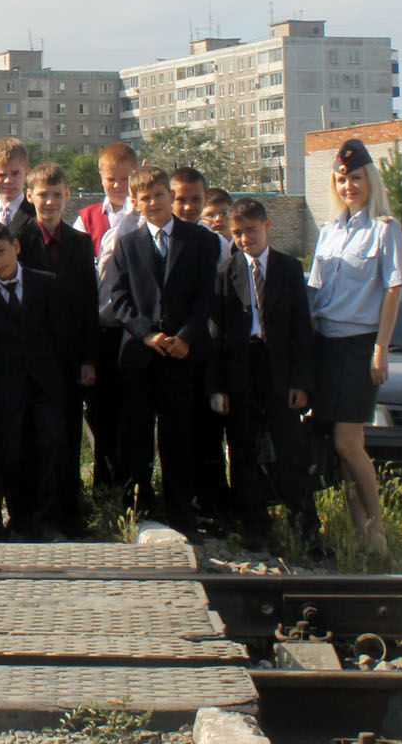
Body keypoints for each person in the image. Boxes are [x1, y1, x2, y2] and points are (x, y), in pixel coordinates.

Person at [101, 164, 220, 533]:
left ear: (171, 196)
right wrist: (146, 334)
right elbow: (118, 299)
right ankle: (140, 502)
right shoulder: (128, 243)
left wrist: (186, 336)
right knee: (137, 434)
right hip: (141, 355)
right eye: (145, 198)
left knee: (178, 434)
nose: (153, 202)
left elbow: (207, 297)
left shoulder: (200, 240)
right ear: (134, 203)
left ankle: (180, 509)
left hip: (183, 355)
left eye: (159, 195)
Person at [308, 138, 402, 555]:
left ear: (371, 180)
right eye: (342, 179)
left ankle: (379, 528)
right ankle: (361, 531)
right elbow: (314, 292)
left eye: (357, 178)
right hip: (325, 345)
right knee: (341, 446)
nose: (349, 185)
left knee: (349, 441)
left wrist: (381, 348)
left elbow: (393, 289)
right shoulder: (328, 232)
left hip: (359, 344)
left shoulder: (385, 228)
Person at [209, 197, 318, 553]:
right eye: (237, 233)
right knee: (243, 451)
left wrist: (301, 382)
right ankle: (256, 527)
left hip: (280, 372)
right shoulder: (228, 271)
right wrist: (220, 386)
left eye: (250, 231)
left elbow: (302, 328)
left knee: (291, 451)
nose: (244, 239)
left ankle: (306, 528)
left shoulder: (287, 269)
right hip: (243, 370)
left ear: (267, 227)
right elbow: (219, 333)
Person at [11, 162, 98, 535]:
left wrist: (88, 358)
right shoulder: (18, 239)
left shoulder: (79, 242)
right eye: (43, 195)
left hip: (68, 358)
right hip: (30, 360)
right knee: (37, 439)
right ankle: (33, 517)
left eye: (58, 195)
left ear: (68, 198)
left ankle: (68, 512)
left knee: (68, 439)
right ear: (30, 197)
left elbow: (87, 304)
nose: (50, 201)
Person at [0, 223, 65, 540]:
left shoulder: (45, 284)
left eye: (1, 251)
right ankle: (20, 519)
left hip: (45, 384)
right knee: (9, 452)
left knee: (48, 444)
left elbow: (62, 332)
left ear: (16, 248)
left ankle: (46, 519)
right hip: (5, 387)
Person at [170, 165, 232, 530]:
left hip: (205, 347)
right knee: (177, 433)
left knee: (208, 432)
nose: (189, 207)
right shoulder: (161, 238)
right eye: (181, 199)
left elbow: (218, 297)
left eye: (196, 200)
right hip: (170, 348)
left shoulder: (215, 243)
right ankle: (180, 503)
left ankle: (212, 502)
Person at [78, 141, 138, 493]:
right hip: (100, 327)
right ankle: (104, 485)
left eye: (124, 179)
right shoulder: (87, 218)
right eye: (110, 179)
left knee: (132, 411)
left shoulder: (143, 215)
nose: (117, 186)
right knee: (99, 412)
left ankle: (134, 485)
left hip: (132, 329)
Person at [0, 138, 33, 236]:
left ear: (27, 174)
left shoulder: (37, 216)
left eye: (15, 173)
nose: (8, 180)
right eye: (1, 175)